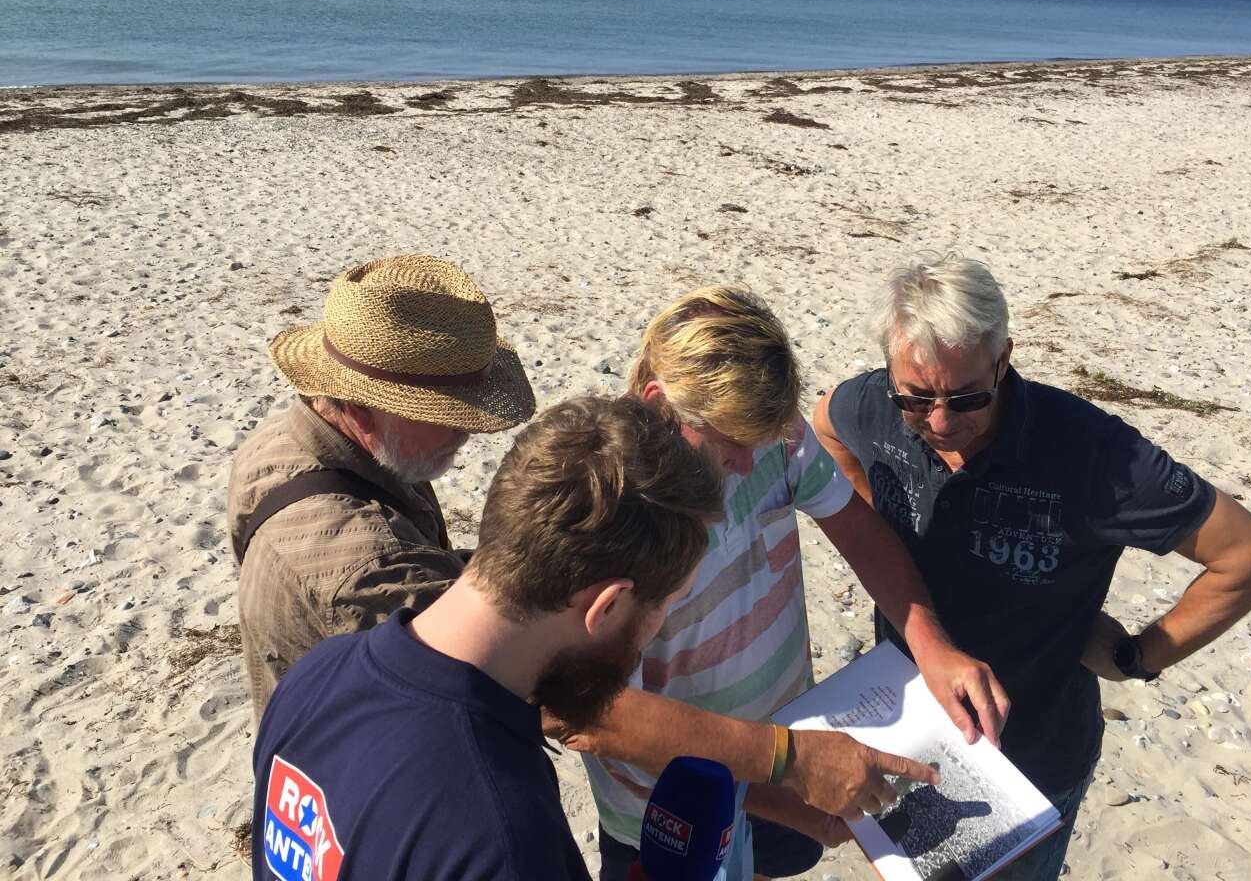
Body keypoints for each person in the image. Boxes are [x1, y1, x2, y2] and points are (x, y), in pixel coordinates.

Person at [814, 252, 1251, 879]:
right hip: (904, 722)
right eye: (917, 398)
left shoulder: (1094, 453)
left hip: (1033, 756)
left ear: (1004, 360)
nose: (940, 421)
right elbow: (824, 425)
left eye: (967, 397)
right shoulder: (872, 405)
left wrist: (1137, 657)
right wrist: (878, 533)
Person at [566, 287, 1008, 880]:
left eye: (763, 442)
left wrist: (932, 645)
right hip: (673, 808)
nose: (751, 466)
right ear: (657, 405)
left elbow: (855, 527)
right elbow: (595, 716)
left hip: (789, 749)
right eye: (733, 446)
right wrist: (780, 779)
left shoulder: (768, 429)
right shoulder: (608, 523)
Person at [251, 395, 725, 881]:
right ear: (606, 606)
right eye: (667, 602)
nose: (660, 626)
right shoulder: (502, 832)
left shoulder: (316, 673)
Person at [228, 254, 536, 717]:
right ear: (359, 409)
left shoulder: (278, 441)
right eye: (443, 413)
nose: (466, 430)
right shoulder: (373, 563)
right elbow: (501, 675)